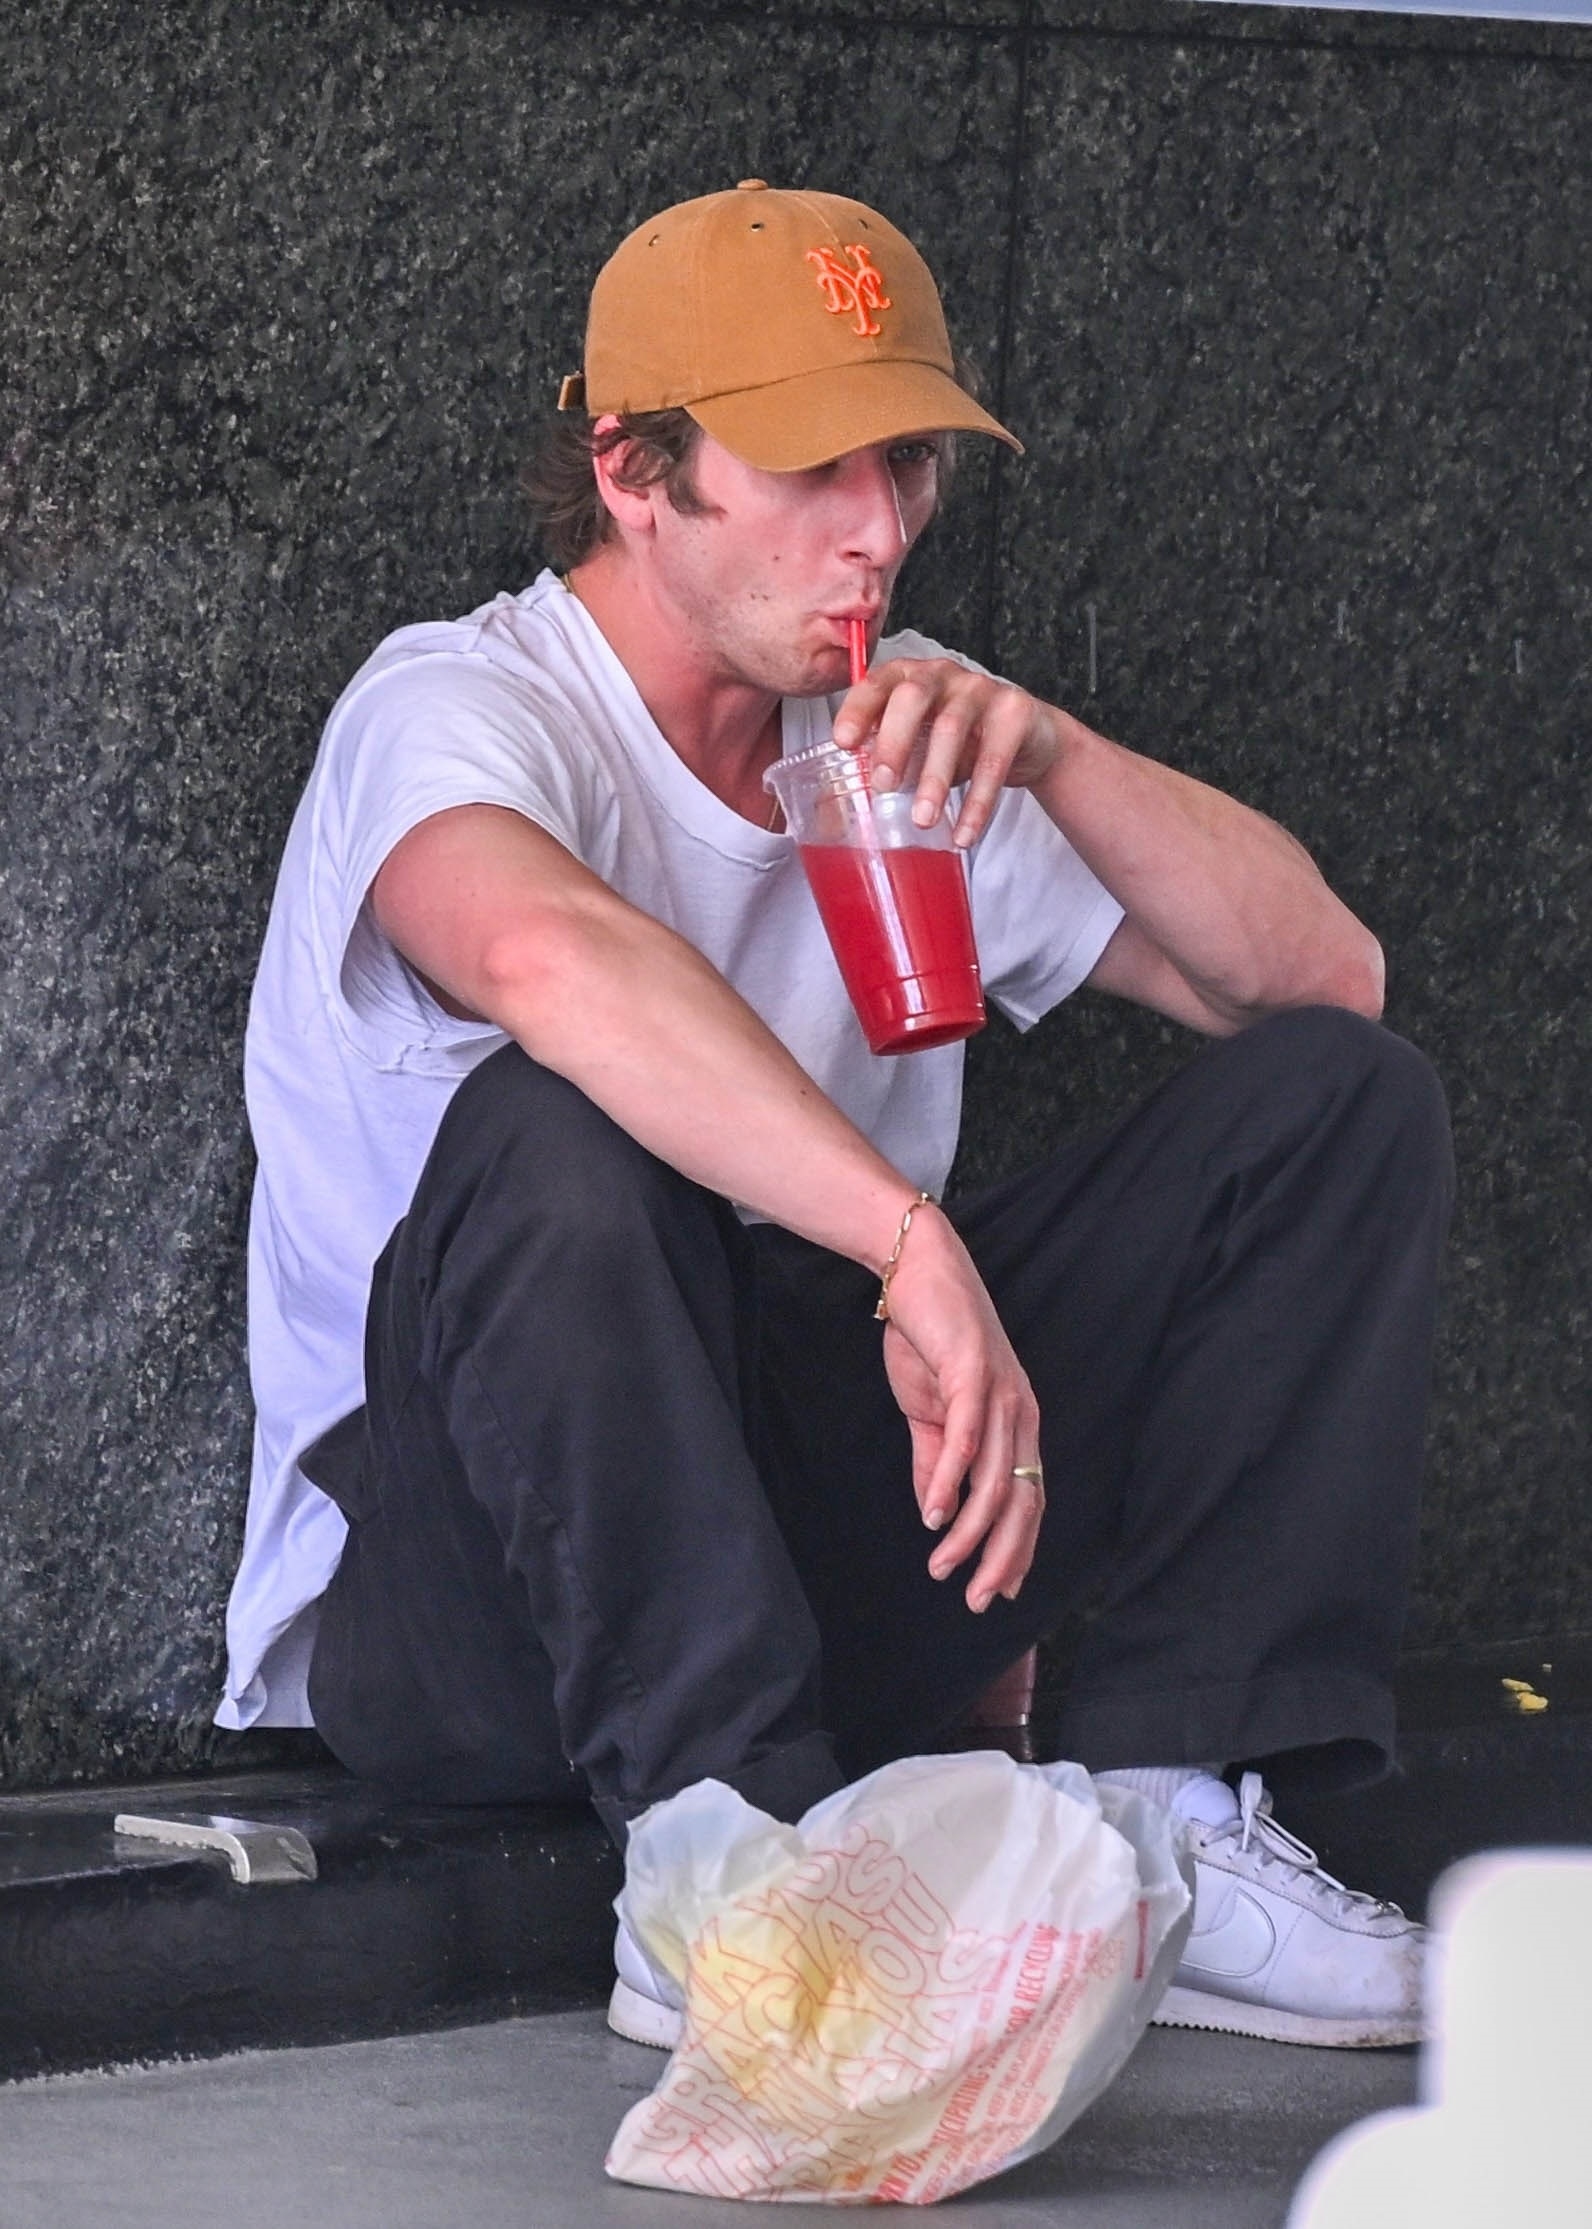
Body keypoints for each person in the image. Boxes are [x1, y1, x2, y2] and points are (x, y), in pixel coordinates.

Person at [218, 182, 1453, 2054]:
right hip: (480, 1599)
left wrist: (1051, 751)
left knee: (1337, 1108)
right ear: (638, 472)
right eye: (815, 471)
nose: (880, 531)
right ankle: (724, 1885)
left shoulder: (891, 737)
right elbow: (549, 959)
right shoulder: (459, 704)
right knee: (561, 1125)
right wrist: (906, 1234)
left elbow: (1321, 980)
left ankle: (1175, 1828)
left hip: (820, 1547)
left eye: (909, 468)